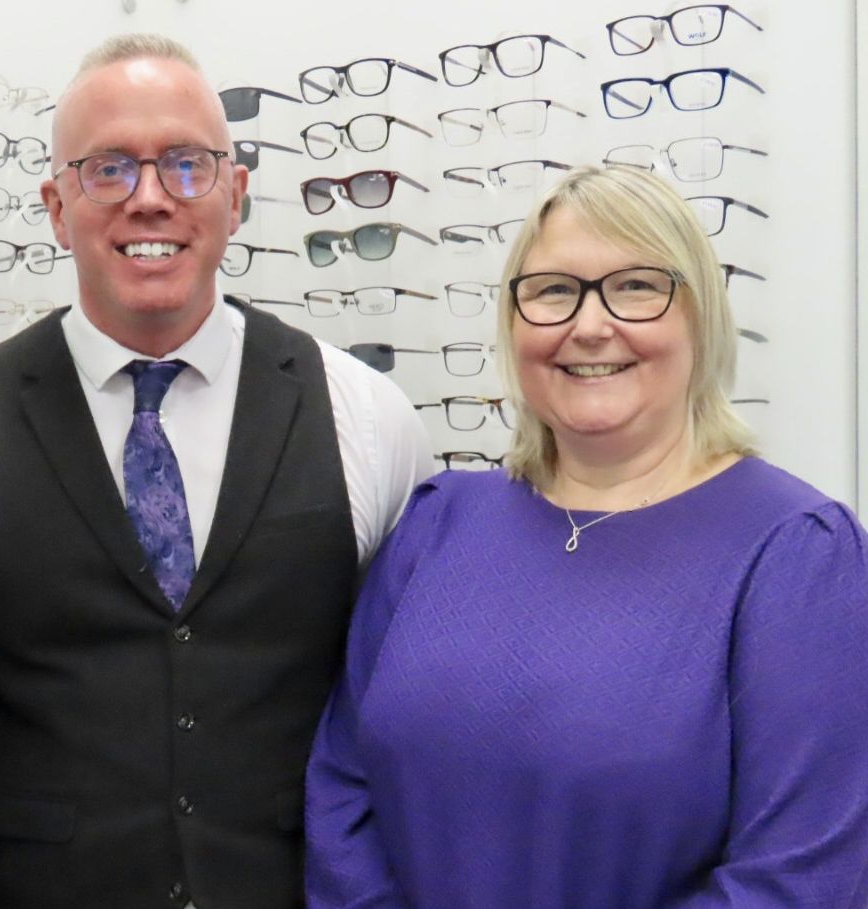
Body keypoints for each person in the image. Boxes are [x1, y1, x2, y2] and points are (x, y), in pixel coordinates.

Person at [0, 33, 431, 909]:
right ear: (57, 206)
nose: (152, 199)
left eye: (187, 165)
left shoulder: (370, 419)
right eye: (110, 170)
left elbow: (406, 726)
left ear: (236, 194)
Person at [305, 165, 868, 909]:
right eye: (552, 291)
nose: (590, 324)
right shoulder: (437, 521)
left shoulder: (798, 554)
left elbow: (799, 875)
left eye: (637, 286)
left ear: (700, 315)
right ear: (513, 322)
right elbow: (342, 791)